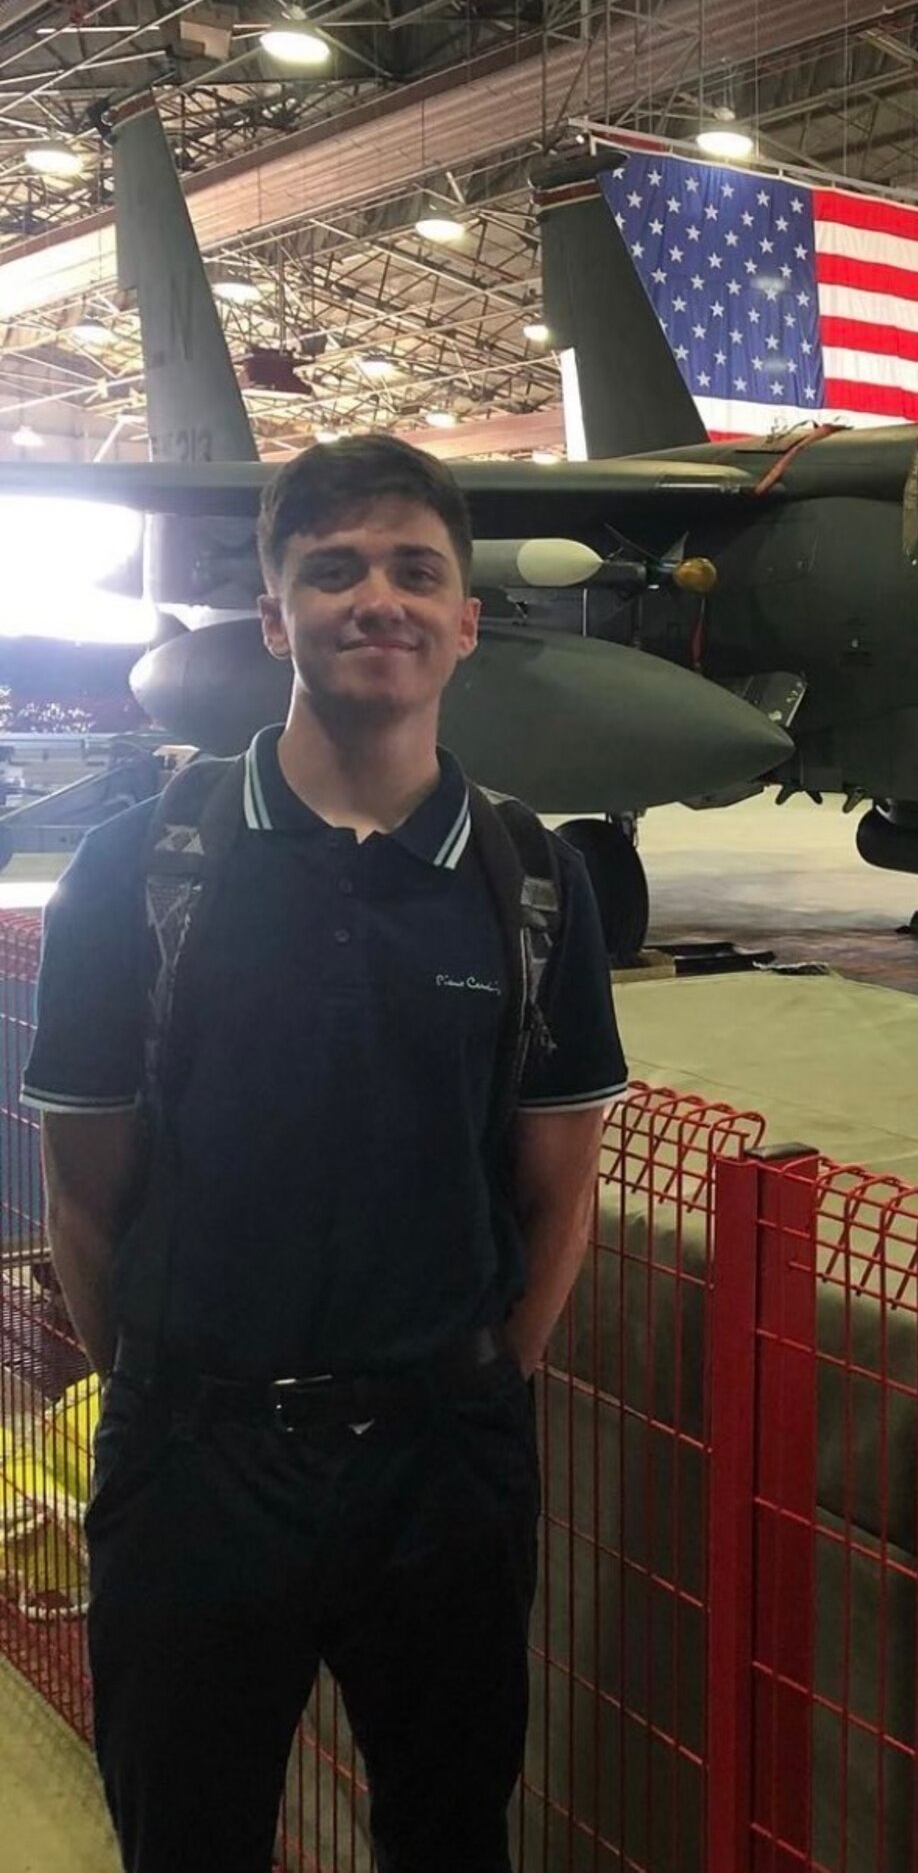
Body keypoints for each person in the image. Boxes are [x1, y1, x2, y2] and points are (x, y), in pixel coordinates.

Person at [21, 435, 628, 1872]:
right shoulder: (143, 868)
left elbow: (558, 1194)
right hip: (198, 1465)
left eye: (418, 572)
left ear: (466, 623)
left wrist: (473, 1391)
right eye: (334, 569)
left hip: (443, 1470)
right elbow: (85, 1199)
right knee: (189, 1836)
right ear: (274, 616)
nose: (381, 600)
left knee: (448, 1830)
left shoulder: (533, 882)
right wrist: (178, 1398)